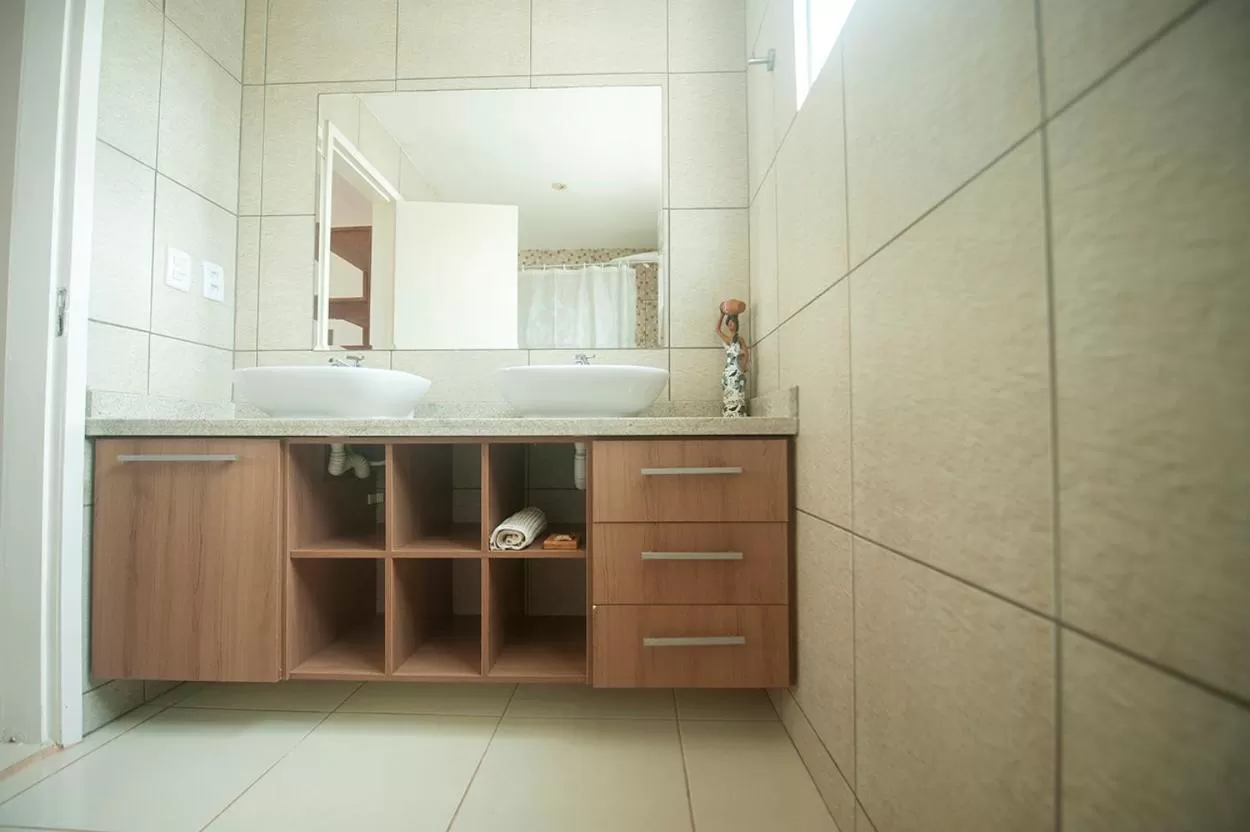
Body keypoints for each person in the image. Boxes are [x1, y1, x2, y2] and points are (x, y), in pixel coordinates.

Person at [715, 299, 750, 417]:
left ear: (736, 324)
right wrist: (722, 314)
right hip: (728, 370)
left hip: (737, 369)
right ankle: (729, 415)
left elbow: (746, 353)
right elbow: (717, 330)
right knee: (728, 393)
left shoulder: (739, 339)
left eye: (732, 322)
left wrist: (744, 366)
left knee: (738, 392)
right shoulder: (727, 339)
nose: (730, 324)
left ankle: (738, 415)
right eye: (729, 323)